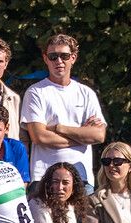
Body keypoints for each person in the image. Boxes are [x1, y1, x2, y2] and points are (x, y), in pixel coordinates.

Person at [20, 34, 106, 191]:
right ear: (45, 59)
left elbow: (98, 136)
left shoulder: (87, 93)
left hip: (81, 178)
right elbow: (39, 137)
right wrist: (82, 137)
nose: (59, 61)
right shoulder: (35, 92)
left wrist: (59, 128)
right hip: (44, 178)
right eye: (53, 56)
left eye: (64, 56)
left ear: (73, 58)